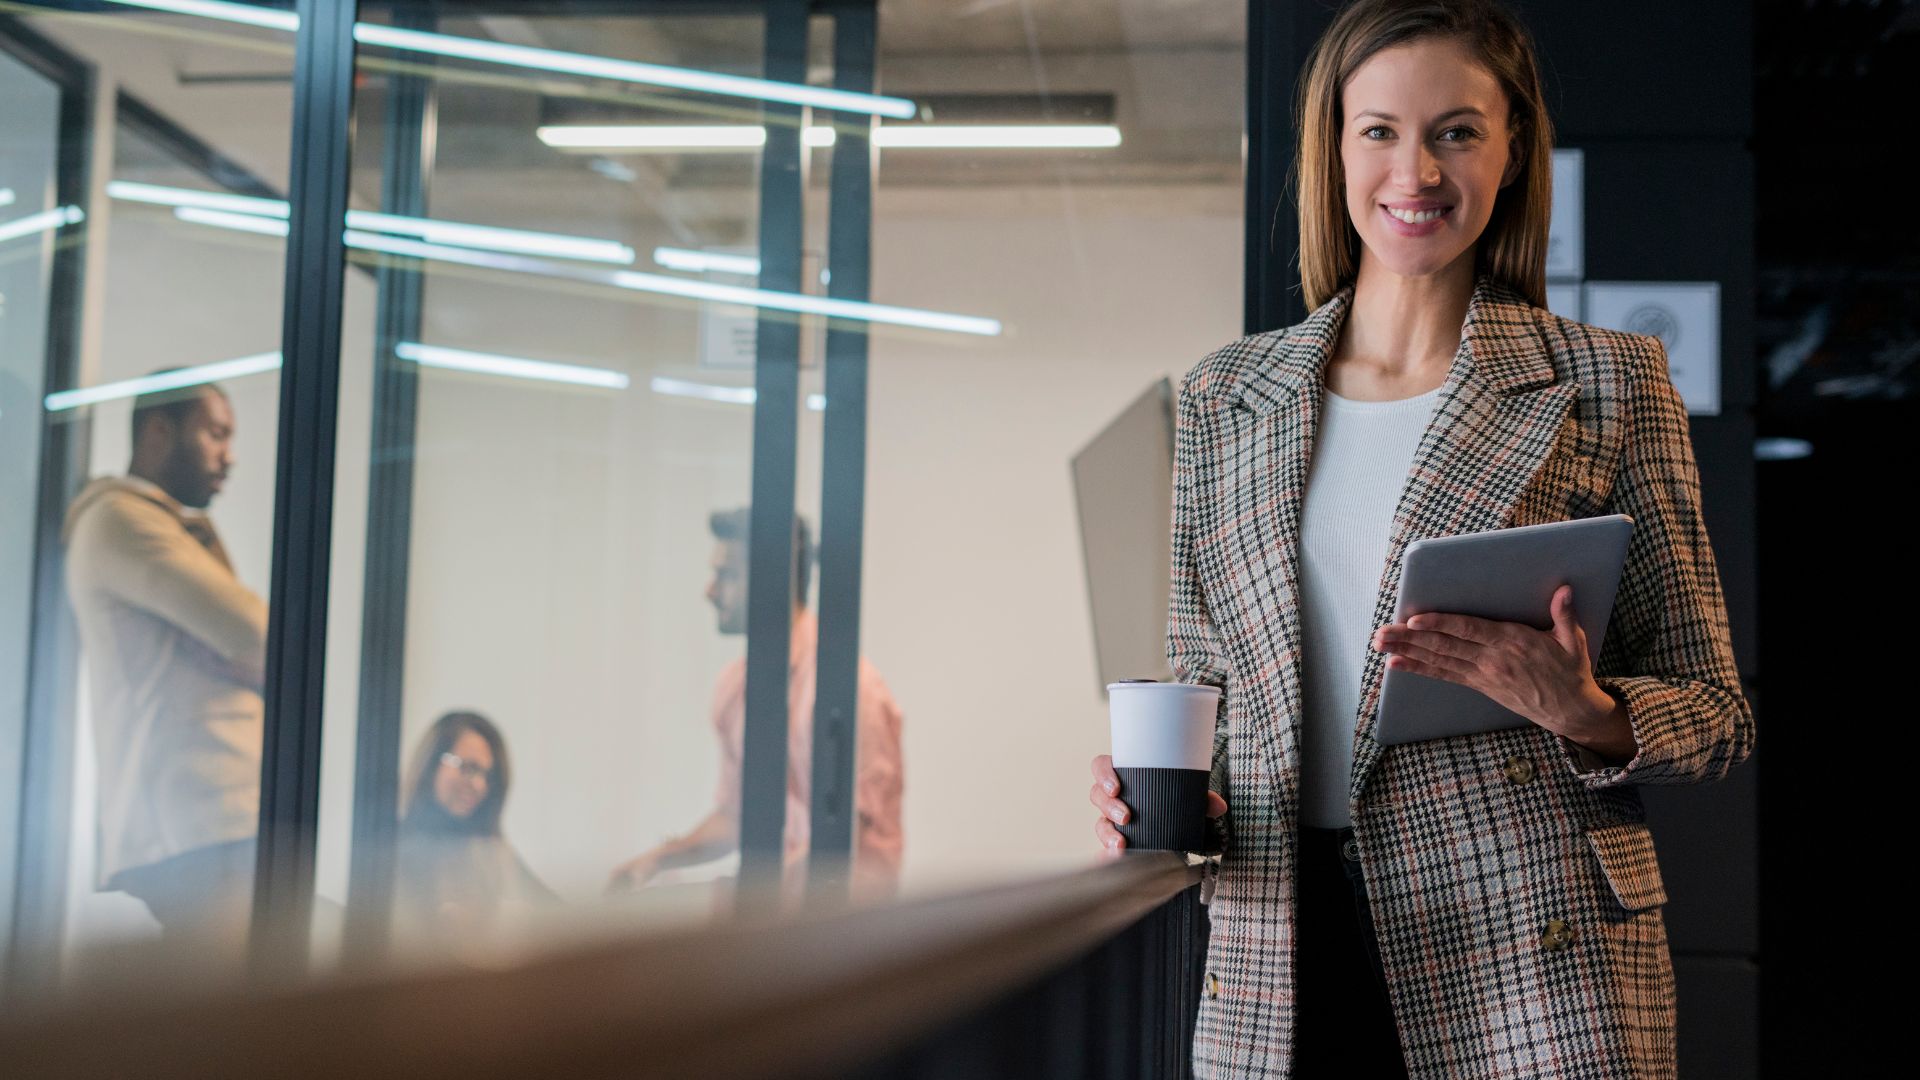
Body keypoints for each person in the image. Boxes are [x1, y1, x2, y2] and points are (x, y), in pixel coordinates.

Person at [1087, 2, 1755, 1076]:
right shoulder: (1227, 395)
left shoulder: (1609, 381)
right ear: (1335, 150)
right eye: (1380, 131)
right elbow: (1204, 684)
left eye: (1457, 131)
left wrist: (1585, 710)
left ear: (1512, 150)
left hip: (1532, 958)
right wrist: (1161, 796)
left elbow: (1718, 714)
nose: (1418, 170)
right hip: (1275, 950)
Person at [608, 509, 905, 902]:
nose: (710, 591)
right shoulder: (735, 687)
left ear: (771, 580)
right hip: (777, 924)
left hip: (846, 934)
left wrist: (733, 901)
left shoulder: (847, 687)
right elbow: (737, 817)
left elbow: (840, 843)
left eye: (726, 575)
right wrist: (659, 860)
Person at [62, 377, 266, 937]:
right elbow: (263, 638)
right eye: (216, 434)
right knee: (231, 1014)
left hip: (206, 820)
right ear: (159, 430)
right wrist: (252, 663)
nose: (230, 456)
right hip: (193, 823)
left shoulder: (158, 525)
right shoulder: (123, 520)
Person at [393, 711, 554, 941]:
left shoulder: (494, 850)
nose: (478, 785)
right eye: (468, 768)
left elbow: (558, 917)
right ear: (431, 763)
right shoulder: (392, 849)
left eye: (488, 776)